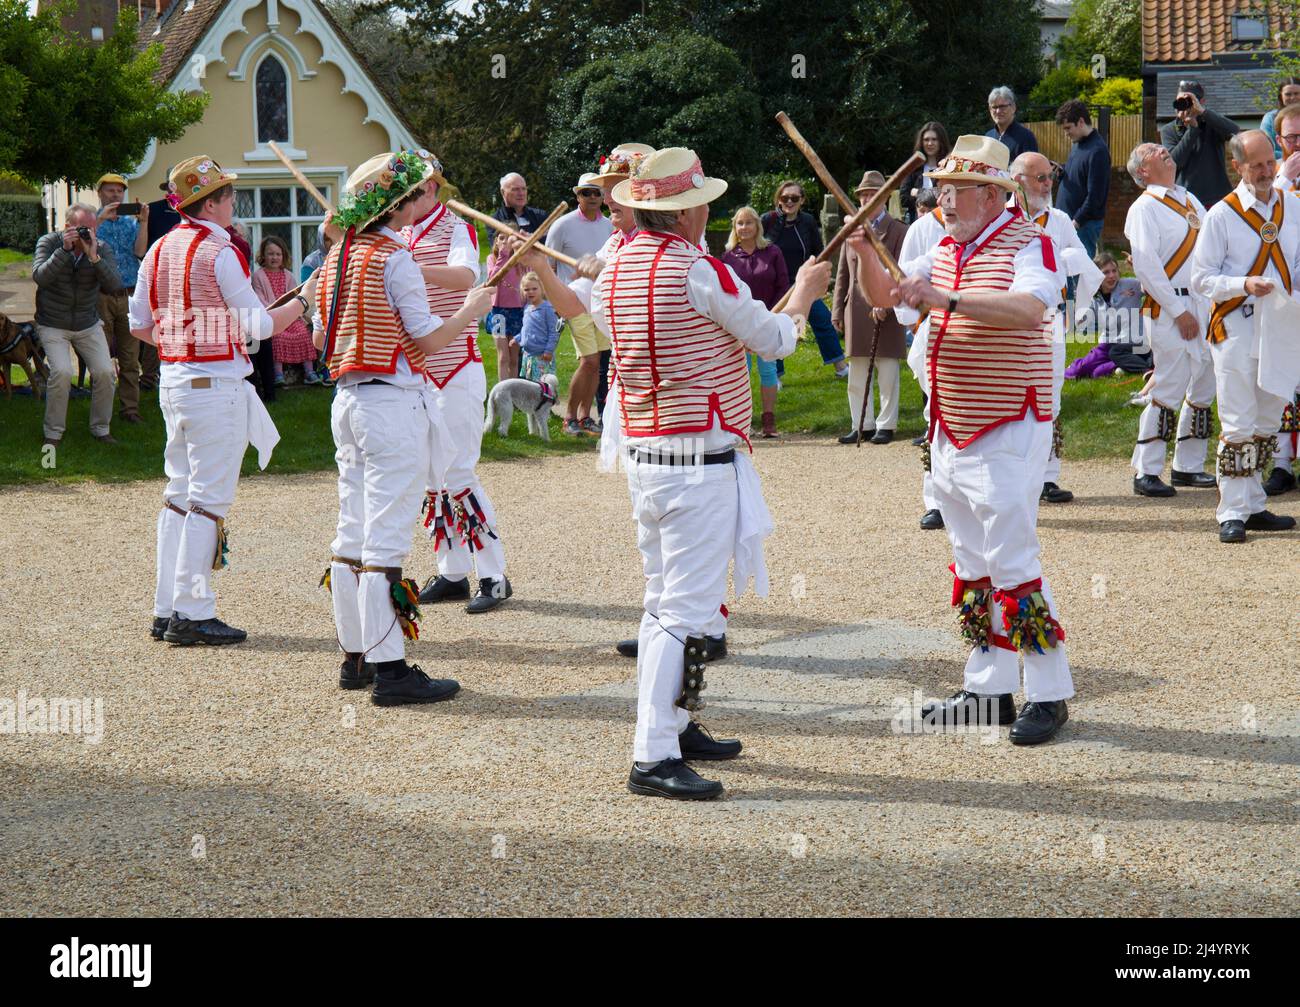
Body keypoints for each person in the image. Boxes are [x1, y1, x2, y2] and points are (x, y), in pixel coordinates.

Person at [591, 146, 830, 799]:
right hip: (698, 459)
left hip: (648, 454)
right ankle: (653, 752)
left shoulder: (613, 269)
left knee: (664, 602)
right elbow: (774, 340)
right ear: (687, 209)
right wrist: (806, 293)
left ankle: (678, 718)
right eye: (702, 201)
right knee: (685, 609)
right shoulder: (700, 269)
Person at [855, 134, 1072, 745]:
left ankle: (1049, 693)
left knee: (1012, 555)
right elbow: (889, 299)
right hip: (950, 422)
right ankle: (988, 687)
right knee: (972, 558)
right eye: (941, 189)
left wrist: (945, 298)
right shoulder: (943, 247)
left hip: (1009, 419)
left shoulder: (1032, 243)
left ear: (992, 193)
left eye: (956, 188)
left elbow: (1029, 309)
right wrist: (862, 250)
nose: (944, 198)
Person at [314, 149, 494, 699]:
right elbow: (426, 339)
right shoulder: (394, 259)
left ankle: (356, 658)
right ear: (397, 204)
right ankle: (390, 669)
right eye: (415, 193)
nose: (423, 201)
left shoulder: (335, 259)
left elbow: (321, 339)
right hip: (391, 403)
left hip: (346, 403)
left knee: (352, 532)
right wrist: (471, 311)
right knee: (386, 540)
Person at [129, 155, 310, 646]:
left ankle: (167, 608)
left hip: (175, 380)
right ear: (209, 204)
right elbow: (257, 326)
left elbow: (139, 324)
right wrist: (304, 302)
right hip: (214, 385)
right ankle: (191, 611)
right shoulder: (220, 250)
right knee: (206, 501)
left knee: (178, 495)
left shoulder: (160, 248)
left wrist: (183, 341)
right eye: (227, 195)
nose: (233, 201)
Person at [403, 158, 512, 615]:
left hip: (456, 368)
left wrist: (411, 268)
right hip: (417, 372)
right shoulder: (402, 232)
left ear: (431, 187)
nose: (406, 199)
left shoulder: (455, 228)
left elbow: (467, 279)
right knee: (433, 477)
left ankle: (494, 574)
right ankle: (451, 571)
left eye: (413, 190)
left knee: (460, 473)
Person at [1190, 129, 1299, 542]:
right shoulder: (1221, 214)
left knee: (1269, 417)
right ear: (1237, 166)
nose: (1267, 171)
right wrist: (1243, 284)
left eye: (1271, 161)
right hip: (1236, 325)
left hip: (1282, 326)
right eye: (1256, 164)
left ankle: (1254, 503)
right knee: (1238, 418)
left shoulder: (1293, 207)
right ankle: (1231, 511)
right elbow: (1202, 278)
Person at [1121, 142, 1217, 498]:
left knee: (1205, 386)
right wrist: (1180, 313)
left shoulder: (1190, 199)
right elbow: (1146, 265)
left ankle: (1188, 467)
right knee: (1168, 388)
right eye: (1152, 151)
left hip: (1204, 304)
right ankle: (1146, 470)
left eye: (1162, 148)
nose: (1163, 150)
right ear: (1142, 171)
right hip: (1170, 307)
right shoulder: (1144, 207)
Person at [1010, 150, 1104, 505]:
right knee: (1012, 394)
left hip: (1050, 319)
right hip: (1012, 319)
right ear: (1018, 180)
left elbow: (1082, 261)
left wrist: (1057, 260)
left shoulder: (1060, 220)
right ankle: (1016, 474)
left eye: (1051, 177)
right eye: (1041, 178)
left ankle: (1048, 476)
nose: (1049, 184)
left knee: (1050, 393)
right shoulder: (1000, 217)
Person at [32, 203, 121, 447]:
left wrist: (94, 258)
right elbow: (40, 277)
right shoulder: (49, 243)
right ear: (68, 227)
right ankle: (53, 433)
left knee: (105, 372)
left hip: (87, 323)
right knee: (61, 372)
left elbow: (114, 285)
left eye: (93, 228)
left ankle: (101, 429)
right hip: (52, 323)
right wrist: (64, 250)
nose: (89, 234)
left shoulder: (100, 248)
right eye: (84, 228)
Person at [833, 170, 907, 444]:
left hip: (887, 309)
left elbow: (902, 270)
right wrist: (837, 311)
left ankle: (886, 425)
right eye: (862, 194)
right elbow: (843, 273)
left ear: (884, 197)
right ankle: (861, 423)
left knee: (887, 371)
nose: (865, 199)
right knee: (857, 371)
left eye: (871, 194)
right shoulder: (852, 230)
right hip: (856, 309)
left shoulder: (899, 230)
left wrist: (886, 305)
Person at [895, 188, 947, 530]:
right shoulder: (923, 229)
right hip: (936, 331)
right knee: (937, 415)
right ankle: (937, 501)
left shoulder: (1007, 231)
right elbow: (902, 279)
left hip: (988, 340)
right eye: (947, 189)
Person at [762, 181, 849, 378]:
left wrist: (820, 279)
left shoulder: (807, 222)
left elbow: (819, 252)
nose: (789, 202)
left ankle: (841, 366)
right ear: (779, 200)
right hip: (777, 286)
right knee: (778, 329)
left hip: (804, 282)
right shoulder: (768, 220)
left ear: (802, 200)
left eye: (794, 198)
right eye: (785, 198)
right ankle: (776, 376)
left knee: (822, 321)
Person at [722, 205, 788, 437]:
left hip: (767, 319)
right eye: (740, 223)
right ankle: (742, 421)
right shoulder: (728, 257)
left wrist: (774, 313)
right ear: (735, 227)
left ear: (757, 226)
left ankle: (769, 420)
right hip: (739, 323)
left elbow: (783, 285)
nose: (744, 227)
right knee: (741, 371)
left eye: (749, 222)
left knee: (768, 371)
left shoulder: (772, 252)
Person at [94, 173, 150, 424]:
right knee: (101, 358)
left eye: (119, 191)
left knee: (129, 356)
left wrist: (144, 222)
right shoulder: (92, 221)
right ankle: (101, 411)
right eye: (110, 191)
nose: (115, 195)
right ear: (100, 193)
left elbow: (139, 252)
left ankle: (130, 409)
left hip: (129, 294)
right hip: (101, 295)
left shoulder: (130, 223)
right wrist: (98, 221)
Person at [251, 235, 323, 386]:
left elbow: (294, 296)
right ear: (263, 255)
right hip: (271, 315)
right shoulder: (258, 276)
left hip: (290, 315)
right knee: (277, 336)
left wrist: (292, 312)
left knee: (303, 332)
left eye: (278, 254)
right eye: (270, 254)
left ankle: (309, 372)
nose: (274, 257)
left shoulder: (288, 275)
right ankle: (278, 375)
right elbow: (260, 299)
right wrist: (276, 312)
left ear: (283, 256)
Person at [1159, 80, 1240, 209]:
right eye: (1180, 100)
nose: (1184, 104)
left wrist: (1203, 113)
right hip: (1186, 200)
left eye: (1190, 101)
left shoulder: (1212, 123)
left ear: (1201, 102)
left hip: (1219, 199)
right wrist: (1192, 129)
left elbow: (1234, 130)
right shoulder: (1169, 130)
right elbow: (1174, 163)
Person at [1067, 252, 1148, 378]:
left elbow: (1150, 288)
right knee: (1088, 372)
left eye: (1114, 271)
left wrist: (1138, 268)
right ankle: (1122, 365)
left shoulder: (1130, 284)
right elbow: (1080, 320)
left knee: (1089, 371)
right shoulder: (1094, 295)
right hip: (1108, 344)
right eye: (1106, 272)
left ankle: (1124, 364)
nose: (1111, 276)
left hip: (1132, 343)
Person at [1055, 98, 1110, 258]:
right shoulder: (1078, 144)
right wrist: (1062, 171)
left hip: (1083, 226)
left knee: (1079, 278)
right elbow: (1079, 176)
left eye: (1068, 128)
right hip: (1070, 224)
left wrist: (1076, 222)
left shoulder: (1098, 151)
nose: (1066, 133)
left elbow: (1096, 196)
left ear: (1080, 121)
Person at [545, 172, 612, 282]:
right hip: (570, 295)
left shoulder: (609, 225)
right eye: (586, 192)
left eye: (597, 193)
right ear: (578, 197)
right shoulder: (561, 225)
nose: (593, 196)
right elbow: (548, 265)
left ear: (602, 197)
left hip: (601, 295)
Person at [484, 233, 524, 380]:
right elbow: (492, 280)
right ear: (495, 241)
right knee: (503, 357)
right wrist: (503, 256)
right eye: (501, 238)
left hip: (517, 312)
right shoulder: (492, 259)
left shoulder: (520, 261)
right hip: (498, 313)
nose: (505, 241)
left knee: (514, 359)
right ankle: (502, 393)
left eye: (509, 238)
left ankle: (513, 392)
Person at [902, 123, 950, 223]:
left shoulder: (949, 166)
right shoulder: (913, 167)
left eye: (934, 139)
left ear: (941, 141)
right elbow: (904, 199)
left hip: (943, 222)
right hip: (916, 221)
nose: (930, 143)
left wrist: (919, 193)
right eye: (926, 140)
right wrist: (935, 194)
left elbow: (949, 197)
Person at [516, 271, 559, 381]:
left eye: (534, 289)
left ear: (542, 288)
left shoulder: (547, 309)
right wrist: (517, 338)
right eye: (526, 289)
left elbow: (554, 332)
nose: (530, 292)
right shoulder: (527, 308)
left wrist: (548, 351)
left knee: (543, 386)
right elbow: (526, 328)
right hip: (528, 356)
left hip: (542, 356)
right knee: (530, 386)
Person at [985, 86, 1039, 161]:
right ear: (990, 110)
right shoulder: (988, 137)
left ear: (1013, 107)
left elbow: (1031, 169)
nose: (998, 111)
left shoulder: (1026, 137)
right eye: (994, 107)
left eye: (1002, 106)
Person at [1261, 78, 1300, 159]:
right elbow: (1265, 149)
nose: (1293, 97)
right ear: (1281, 96)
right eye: (1288, 94)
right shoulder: (1270, 118)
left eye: (1296, 93)